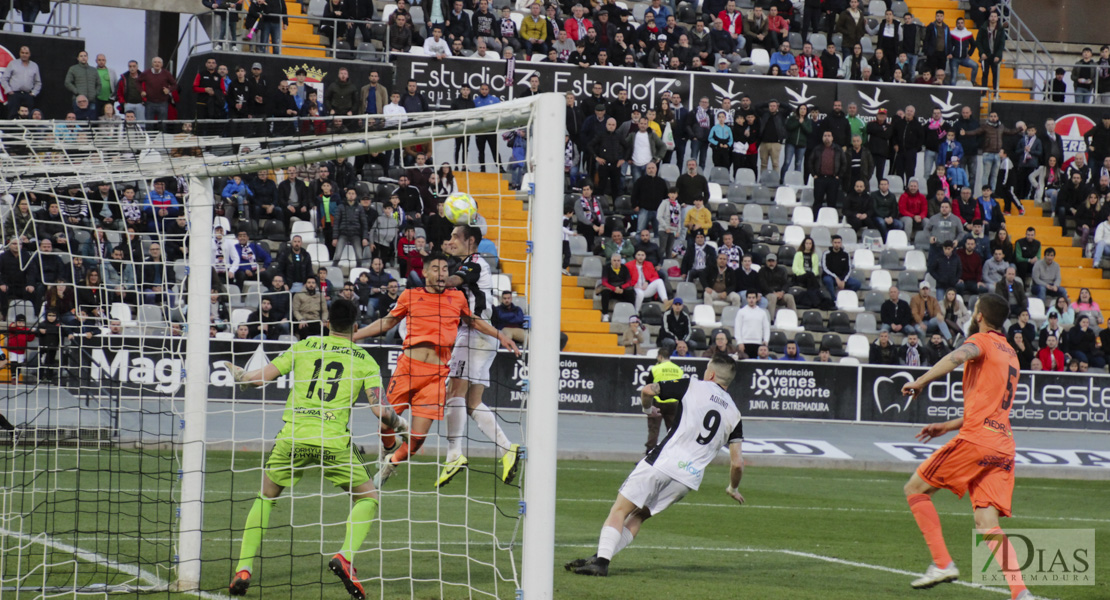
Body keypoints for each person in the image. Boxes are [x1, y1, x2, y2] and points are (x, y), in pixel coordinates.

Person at [223, 299, 409, 599]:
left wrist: (242, 377)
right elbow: (381, 411)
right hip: (333, 440)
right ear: (357, 327)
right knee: (368, 498)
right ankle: (345, 558)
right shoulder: (364, 360)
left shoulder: (305, 345)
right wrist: (401, 425)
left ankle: (243, 569)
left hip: (293, 437)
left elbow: (258, 379)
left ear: (327, 324)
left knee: (266, 497)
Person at [900, 293, 1034, 600]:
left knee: (915, 489)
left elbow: (958, 356)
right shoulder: (1011, 353)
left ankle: (942, 563)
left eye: (975, 310)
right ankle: (1021, 593)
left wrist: (921, 381)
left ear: (979, 316)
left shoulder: (981, 341)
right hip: (1003, 446)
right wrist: (946, 426)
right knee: (987, 522)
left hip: (978, 439)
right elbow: (991, 406)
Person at [566, 355, 744, 577]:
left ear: (711, 374)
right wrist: (732, 488)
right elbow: (737, 463)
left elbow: (648, 390)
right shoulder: (735, 414)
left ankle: (601, 562)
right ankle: (602, 555)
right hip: (687, 479)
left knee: (620, 509)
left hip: (663, 461)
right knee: (638, 516)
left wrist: (647, 410)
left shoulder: (693, 385)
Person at [354, 254, 518, 489]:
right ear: (425, 273)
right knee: (384, 422)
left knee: (418, 439)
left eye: (444, 269)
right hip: (407, 369)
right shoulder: (410, 295)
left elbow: (473, 321)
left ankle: (388, 466)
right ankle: (388, 447)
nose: (441, 273)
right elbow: (387, 322)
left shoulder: (457, 297)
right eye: (436, 269)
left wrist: (500, 335)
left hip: (436, 376)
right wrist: (354, 336)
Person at [435, 226, 525, 488]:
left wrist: (437, 277)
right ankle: (507, 449)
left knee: (454, 394)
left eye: (455, 236)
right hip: (478, 335)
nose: (450, 240)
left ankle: (453, 454)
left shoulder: (474, 263)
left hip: (475, 334)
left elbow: (452, 282)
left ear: (470, 241)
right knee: (472, 402)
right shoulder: (466, 262)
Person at [643, 337, 683, 453]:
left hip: (658, 402)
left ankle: (649, 454)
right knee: (673, 430)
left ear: (660, 357)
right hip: (673, 403)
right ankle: (674, 454)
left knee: (654, 429)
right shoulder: (678, 369)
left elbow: (648, 386)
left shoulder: (656, 368)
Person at [598, 252, 636, 321]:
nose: (616, 262)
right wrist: (614, 288)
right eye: (614, 260)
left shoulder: (624, 268)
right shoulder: (606, 268)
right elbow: (604, 282)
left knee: (631, 292)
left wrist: (621, 287)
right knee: (604, 292)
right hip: (610, 289)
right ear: (611, 261)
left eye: (618, 260)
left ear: (620, 261)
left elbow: (628, 282)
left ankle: (632, 314)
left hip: (621, 289)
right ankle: (605, 314)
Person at [734, 291, 770, 357]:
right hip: (744, 343)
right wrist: (739, 342)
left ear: (756, 299)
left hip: (758, 343)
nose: (751, 300)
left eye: (753, 298)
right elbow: (738, 328)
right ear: (747, 299)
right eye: (749, 298)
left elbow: (766, 327)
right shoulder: (741, 312)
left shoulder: (762, 312)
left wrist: (766, 340)